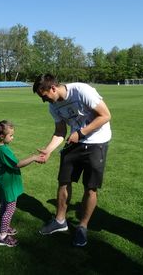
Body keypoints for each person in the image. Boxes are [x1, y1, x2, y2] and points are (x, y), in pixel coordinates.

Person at [33, 74, 112, 247]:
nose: (44, 100)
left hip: (97, 141)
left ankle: (82, 227)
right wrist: (48, 150)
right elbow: (60, 131)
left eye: (44, 96)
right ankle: (60, 221)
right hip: (74, 141)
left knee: (90, 187)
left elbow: (105, 115)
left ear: (53, 88)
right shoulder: (53, 107)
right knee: (63, 181)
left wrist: (81, 133)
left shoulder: (81, 91)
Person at [0, 120, 44, 247]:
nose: (13, 138)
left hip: (6, 185)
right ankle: (2, 236)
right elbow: (17, 164)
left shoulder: (1, 148)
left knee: (4, 206)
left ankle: (5, 227)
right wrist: (34, 157)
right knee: (9, 209)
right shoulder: (3, 150)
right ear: (2, 136)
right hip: (8, 186)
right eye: (11, 135)